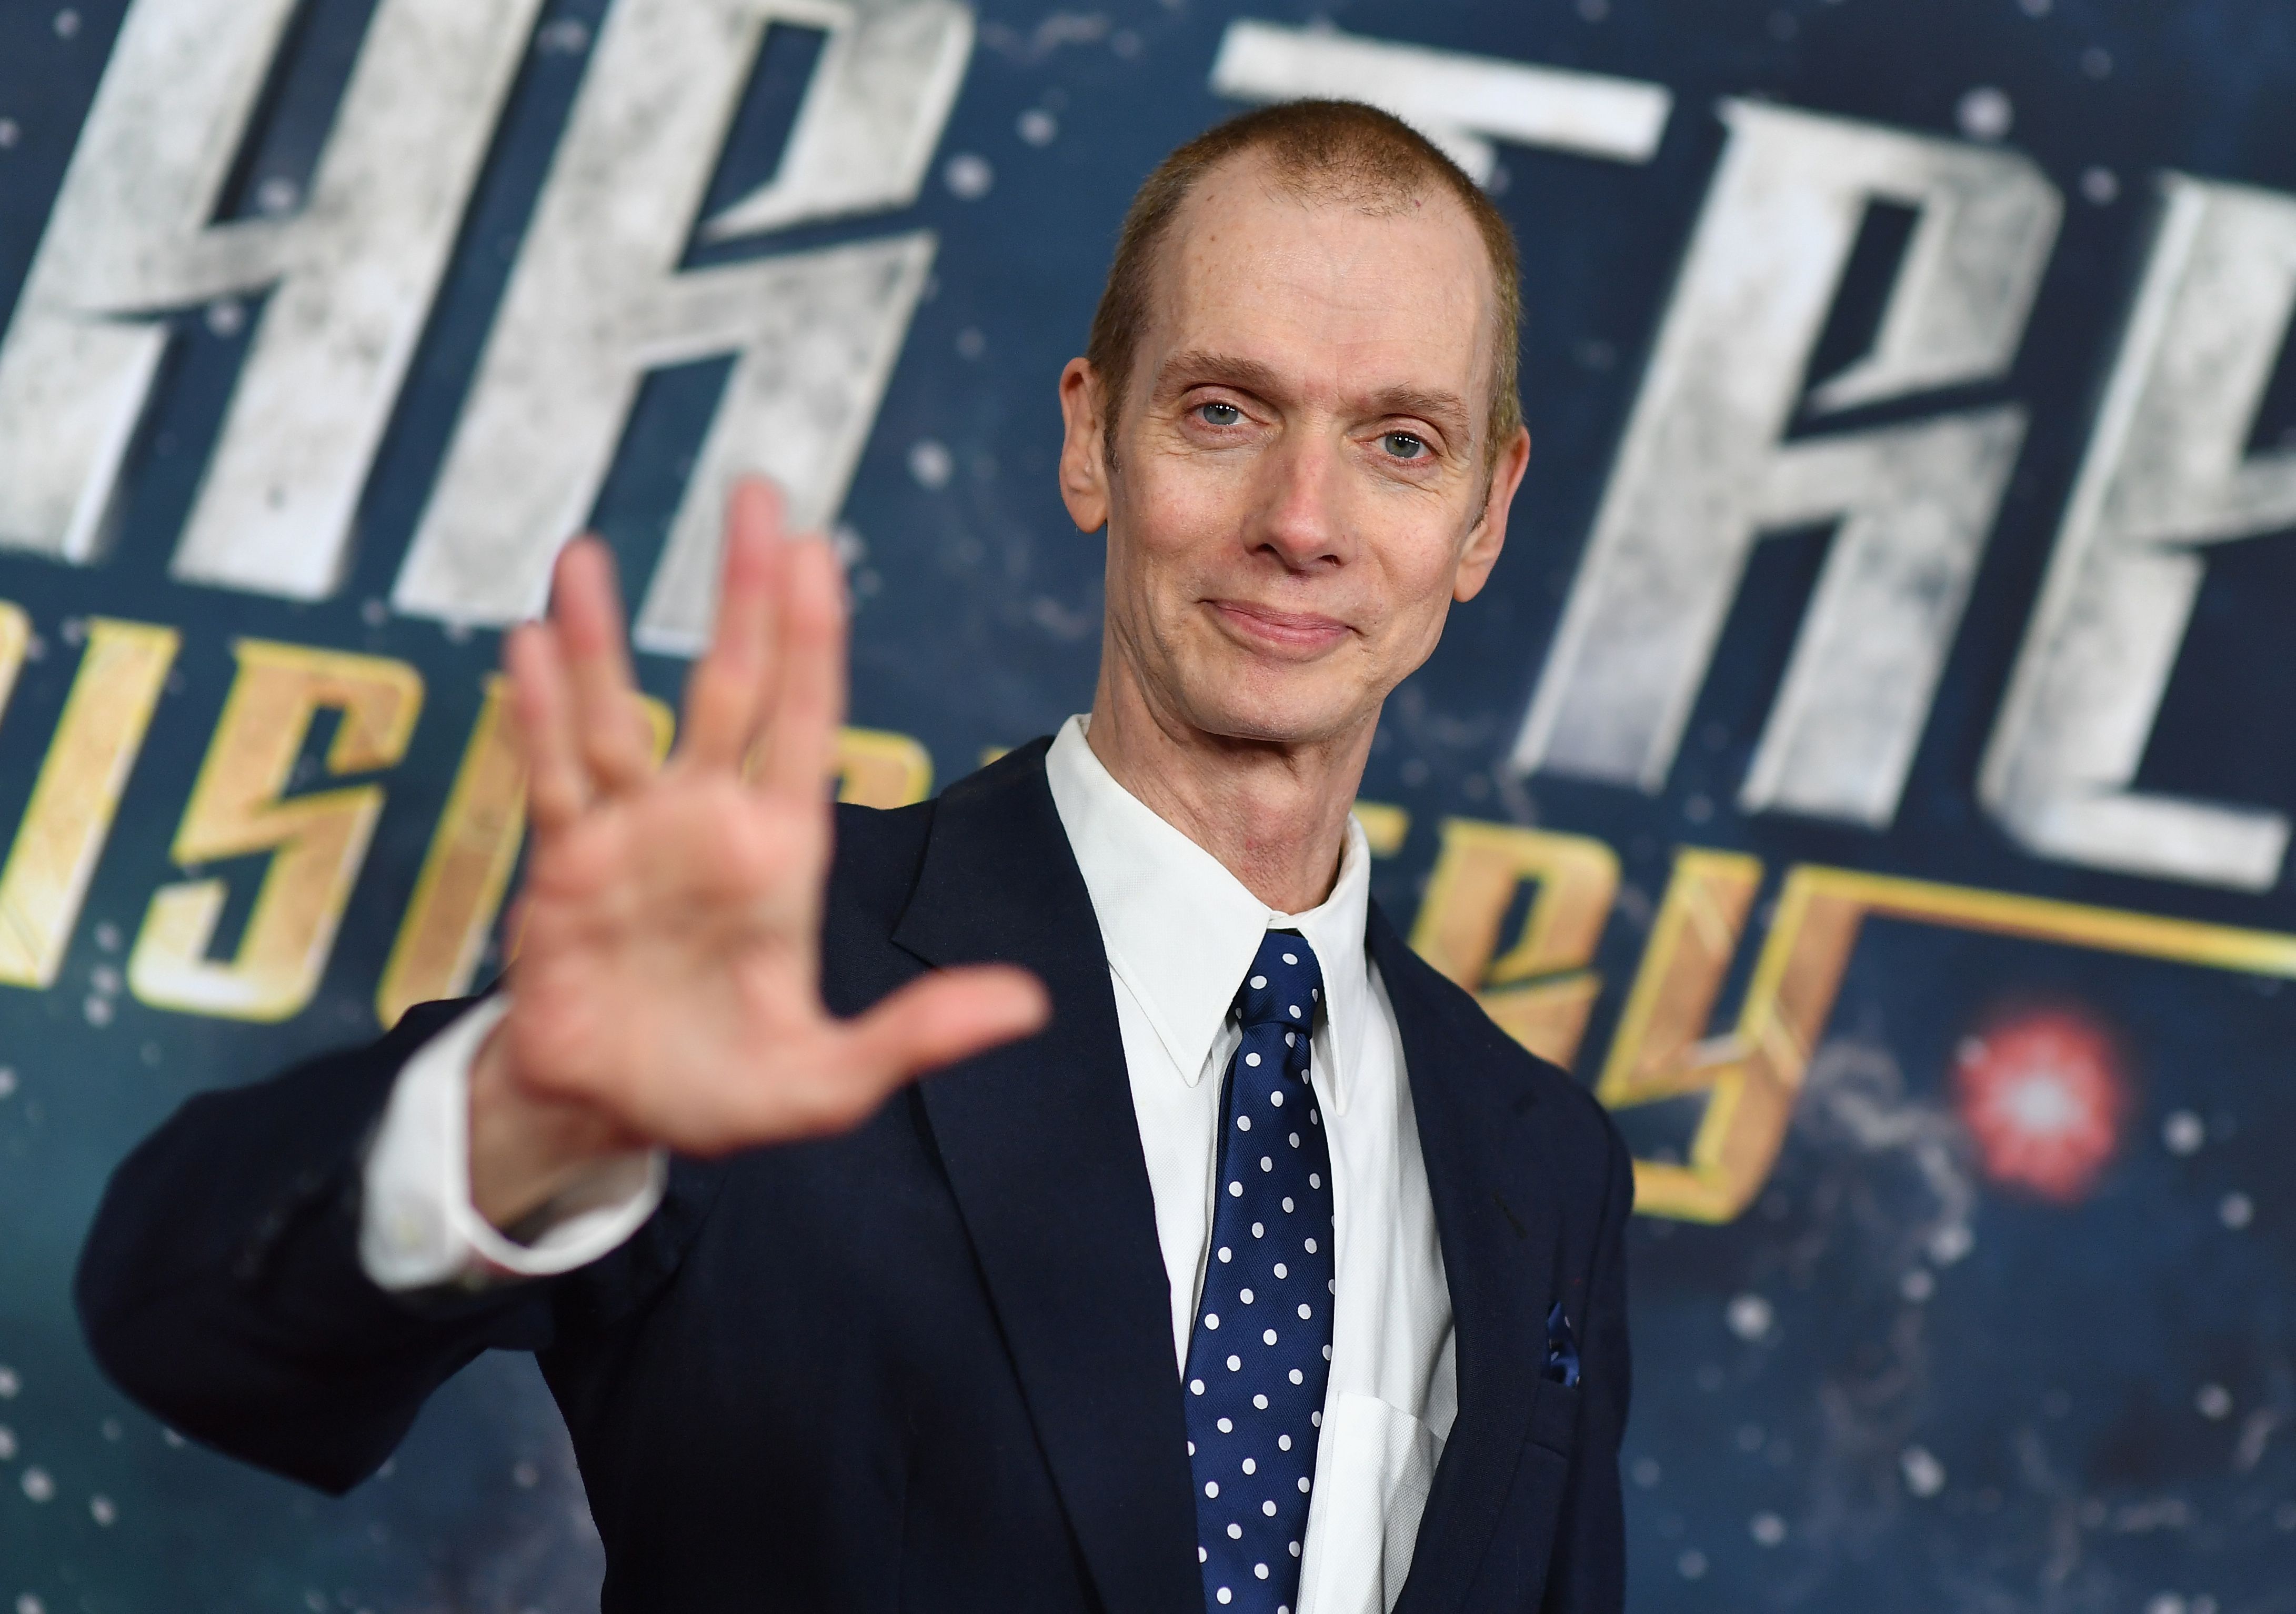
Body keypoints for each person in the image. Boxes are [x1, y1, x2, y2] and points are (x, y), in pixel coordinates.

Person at [78, 99, 1631, 1613]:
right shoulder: (767, 964)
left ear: (1483, 516)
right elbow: (190, 1314)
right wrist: (510, 1125)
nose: (1303, 519)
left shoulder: (1540, 1158)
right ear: (1092, 437)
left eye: (1400, 442)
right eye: (1222, 411)